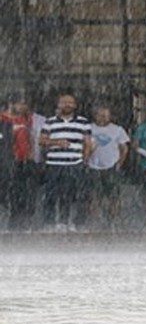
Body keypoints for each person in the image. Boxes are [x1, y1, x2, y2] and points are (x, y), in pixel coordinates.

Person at [39, 93, 92, 232]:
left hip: (75, 164)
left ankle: (75, 224)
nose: (67, 105)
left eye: (70, 102)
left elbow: (88, 143)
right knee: (51, 195)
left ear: (75, 105)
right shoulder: (49, 121)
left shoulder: (83, 122)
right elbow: (41, 141)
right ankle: (50, 224)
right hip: (54, 164)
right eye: (63, 102)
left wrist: (84, 161)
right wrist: (57, 142)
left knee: (74, 195)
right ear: (58, 104)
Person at [86, 106, 130, 229]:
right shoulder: (88, 128)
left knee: (113, 196)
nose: (103, 118)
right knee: (93, 196)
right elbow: (84, 146)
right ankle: (94, 222)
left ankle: (114, 222)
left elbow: (124, 148)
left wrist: (119, 163)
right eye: (100, 115)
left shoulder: (117, 130)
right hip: (93, 166)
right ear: (95, 116)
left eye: (106, 115)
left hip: (111, 167)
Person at [1, 94, 37, 230]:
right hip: (6, 162)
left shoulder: (25, 120)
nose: (23, 107)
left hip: (23, 162)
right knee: (6, 194)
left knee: (20, 193)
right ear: (12, 104)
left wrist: (31, 155)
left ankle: (16, 225)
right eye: (20, 104)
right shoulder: (2, 119)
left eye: (25, 104)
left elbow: (29, 139)